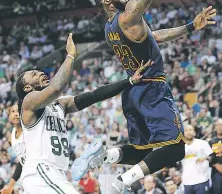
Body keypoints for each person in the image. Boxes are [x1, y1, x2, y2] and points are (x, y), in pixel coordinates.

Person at [72, 0, 217, 193]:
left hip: (133, 91)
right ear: (106, 2)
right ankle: (120, 183)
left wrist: (191, 27)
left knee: (146, 150)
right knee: (175, 150)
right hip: (151, 88)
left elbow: (156, 36)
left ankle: (106, 157)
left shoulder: (113, 26)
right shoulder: (129, 15)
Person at [15, 33, 151, 194]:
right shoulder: (28, 102)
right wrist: (71, 55)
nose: (40, 73)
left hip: (55, 174)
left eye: (38, 71)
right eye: (34, 74)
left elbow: (94, 96)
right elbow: (58, 87)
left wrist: (129, 81)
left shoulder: (60, 104)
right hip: (41, 171)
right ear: (27, 88)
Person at [0, 105, 26, 194]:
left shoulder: (29, 130)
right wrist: (10, 186)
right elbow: (22, 162)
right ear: (9, 117)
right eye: (13, 111)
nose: (16, 114)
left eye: (18, 111)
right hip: (27, 175)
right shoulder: (11, 137)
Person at [181, 125, 213, 194]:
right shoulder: (180, 147)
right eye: (186, 130)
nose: (188, 132)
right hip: (187, 181)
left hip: (202, 180)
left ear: (194, 132)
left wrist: (205, 157)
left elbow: (212, 157)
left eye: (190, 130)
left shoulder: (202, 143)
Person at [209, 119, 222, 194]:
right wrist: (215, 165)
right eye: (218, 125)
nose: (219, 127)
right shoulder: (211, 141)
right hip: (216, 171)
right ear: (215, 127)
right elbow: (209, 157)